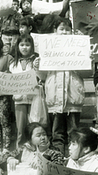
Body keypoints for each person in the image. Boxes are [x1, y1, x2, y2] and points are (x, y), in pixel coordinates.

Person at [34, 16, 85, 156]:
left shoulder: (78, 47)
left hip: (72, 99)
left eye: (67, 29)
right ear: (55, 31)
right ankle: (59, 162)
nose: (64, 32)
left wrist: (87, 58)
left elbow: (87, 72)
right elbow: (43, 77)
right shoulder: (48, 48)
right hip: (54, 100)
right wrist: (38, 67)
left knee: (73, 134)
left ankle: (73, 161)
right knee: (57, 135)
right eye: (61, 29)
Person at [9, 34, 39, 149]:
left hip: (34, 98)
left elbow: (41, 76)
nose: (24, 47)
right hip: (19, 99)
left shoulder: (36, 60)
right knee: (20, 128)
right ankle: (20, 150)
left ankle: (36, 150)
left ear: (32, 46)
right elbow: (10, 80)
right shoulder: (13, 63)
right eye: (22, 45)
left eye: (27, 44)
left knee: (34, 126)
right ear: (18, 47)